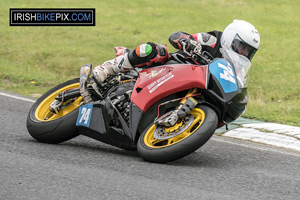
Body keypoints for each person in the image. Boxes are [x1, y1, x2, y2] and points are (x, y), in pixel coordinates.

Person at [79, 19, 260, 103]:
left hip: (187, 89)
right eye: (241, 46)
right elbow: (177, 36)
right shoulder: (213, 41)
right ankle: (107, 69)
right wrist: (188, 42)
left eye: (248, 51)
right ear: (230, 38)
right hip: (168, 68)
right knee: (155, 50)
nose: (243, 53)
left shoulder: (237, 71)